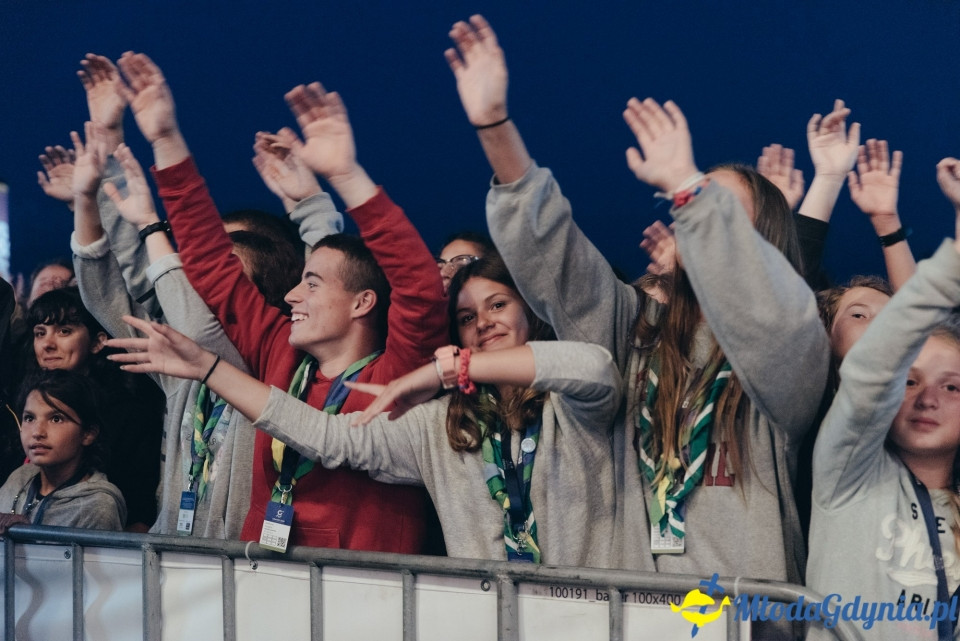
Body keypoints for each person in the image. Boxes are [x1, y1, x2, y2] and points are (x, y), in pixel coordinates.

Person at [444, 15, 829, 591]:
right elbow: (561, 260)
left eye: (717, 210)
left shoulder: (784, 361)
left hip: (745, 620)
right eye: (690, 205)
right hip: (633, 615)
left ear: (764, 243)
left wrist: (688, 188)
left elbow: (774, 314)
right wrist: (496, 128)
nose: (695, 216)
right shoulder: (636, 331)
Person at [116, 52, 447, 551]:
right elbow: (212, 265)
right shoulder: (281, 354)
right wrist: (166, 140)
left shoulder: (399, 374)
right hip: (263, 577)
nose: (292, 294)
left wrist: (347, 175)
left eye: (312, 283)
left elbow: (419, 286)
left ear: (362, 303)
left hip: (360, 591)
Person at [108, 252, 621, 567]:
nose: (482, 322)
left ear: (531, 311)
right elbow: (330, 437)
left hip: (587, 617)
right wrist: (208, 368)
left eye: (498, 305)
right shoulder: (441, 425)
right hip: (489, 620)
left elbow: (594, 367)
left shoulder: (574, 411)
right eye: (466, 317)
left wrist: (449, 370)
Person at [65, 53, 343, 539]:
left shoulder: (278, 370)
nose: (200, 283)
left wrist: (312, 207)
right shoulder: (179, 372)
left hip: (244, 568)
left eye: (221, 275)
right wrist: (102, 166)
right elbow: (116, 289)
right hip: (174, 564)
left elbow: (330, 280)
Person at [807, 157, 960, 641]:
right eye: (909, 382)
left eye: (952, 386)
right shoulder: (847, 470)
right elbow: (875, 367)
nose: (928, 398)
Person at [0, 369, 125, 534]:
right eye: (29, 418)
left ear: (88, 434)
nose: (37, 432)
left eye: (56, 419)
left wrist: (24, 537)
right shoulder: (20, 478)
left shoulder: (97, 505)